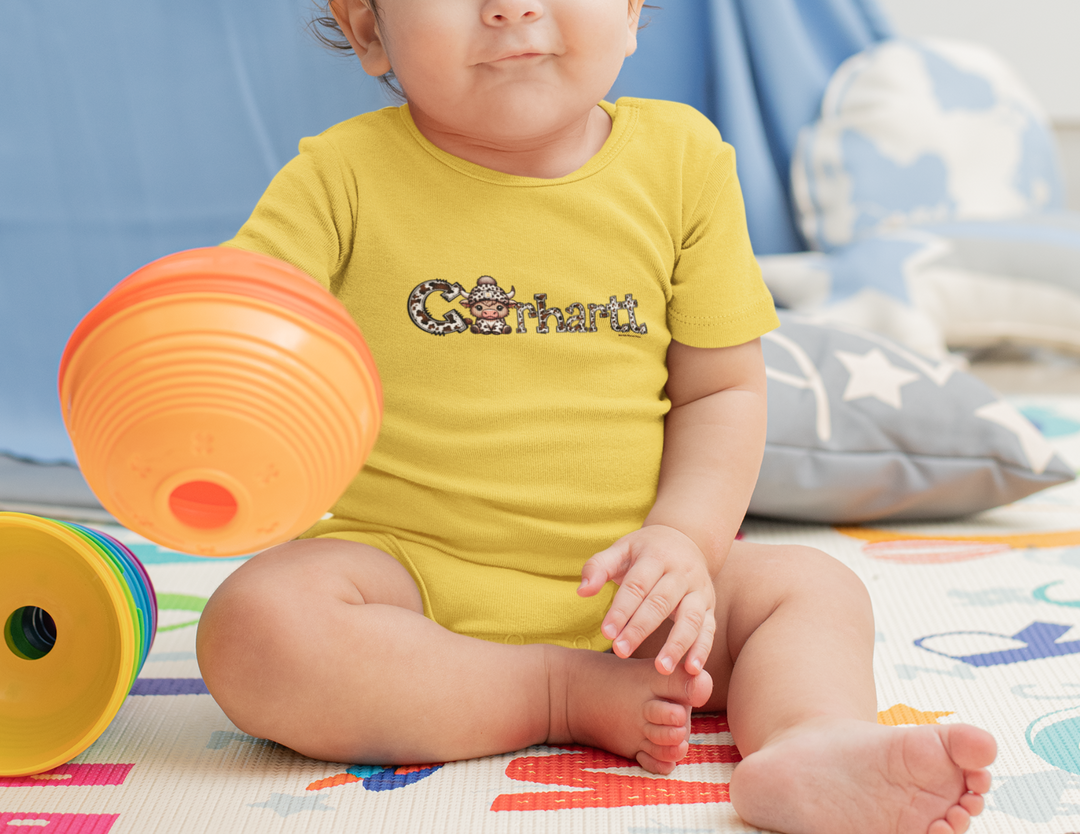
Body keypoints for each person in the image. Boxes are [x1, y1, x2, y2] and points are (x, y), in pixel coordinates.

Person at [195, 1, 998, 831]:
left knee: (813, 590)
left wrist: (685, 539)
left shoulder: (682, 161)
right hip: (413, 584)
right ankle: (556, 692)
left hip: (642, 588)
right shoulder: (340, 179)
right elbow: (236, 314)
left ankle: (812, 742)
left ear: (629, 11)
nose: (511, 6)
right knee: (254, 627)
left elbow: (721, 390)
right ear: (369, 31)